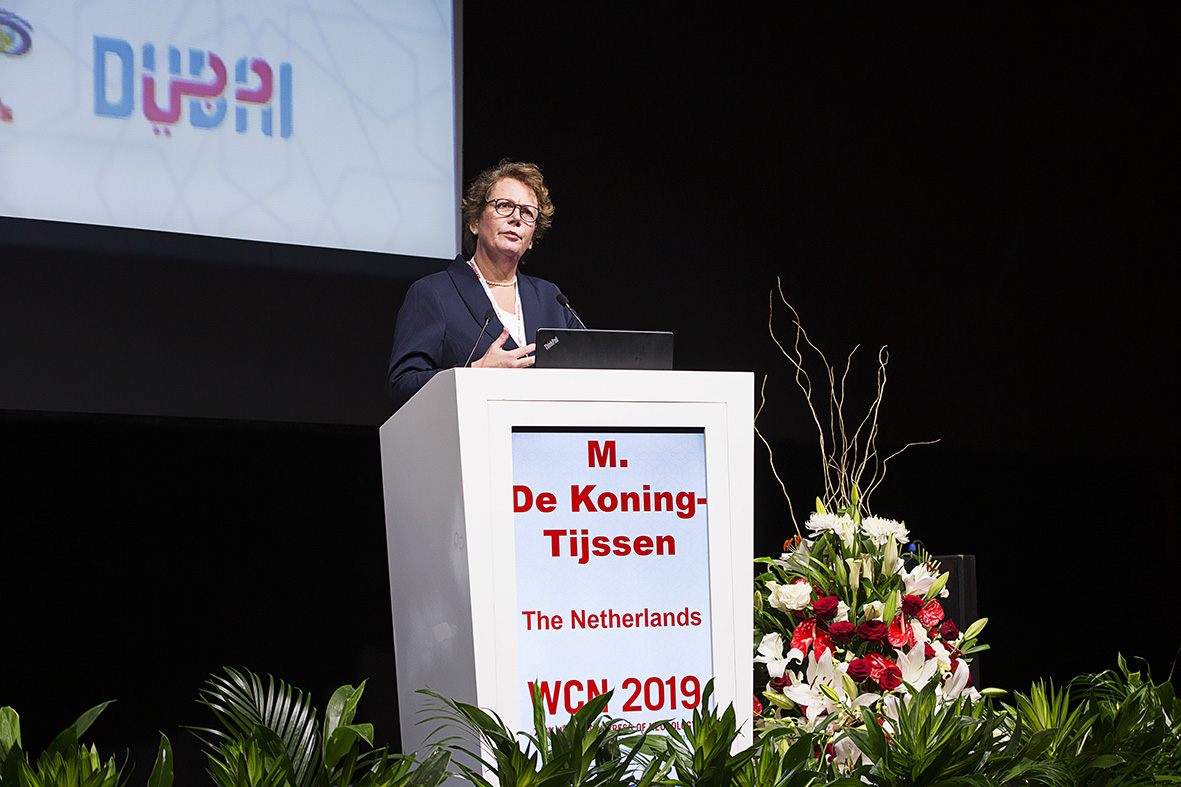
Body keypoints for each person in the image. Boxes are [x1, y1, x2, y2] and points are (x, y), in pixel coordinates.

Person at [386, 160, 582, 412]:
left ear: (533, 237)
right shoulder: (434, 293)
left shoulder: (551, 298)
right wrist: (475, 372)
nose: (516, 218)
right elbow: (401, 387)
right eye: (504, 206)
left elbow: (589, 370)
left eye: (527, 212)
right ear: (475, 222)